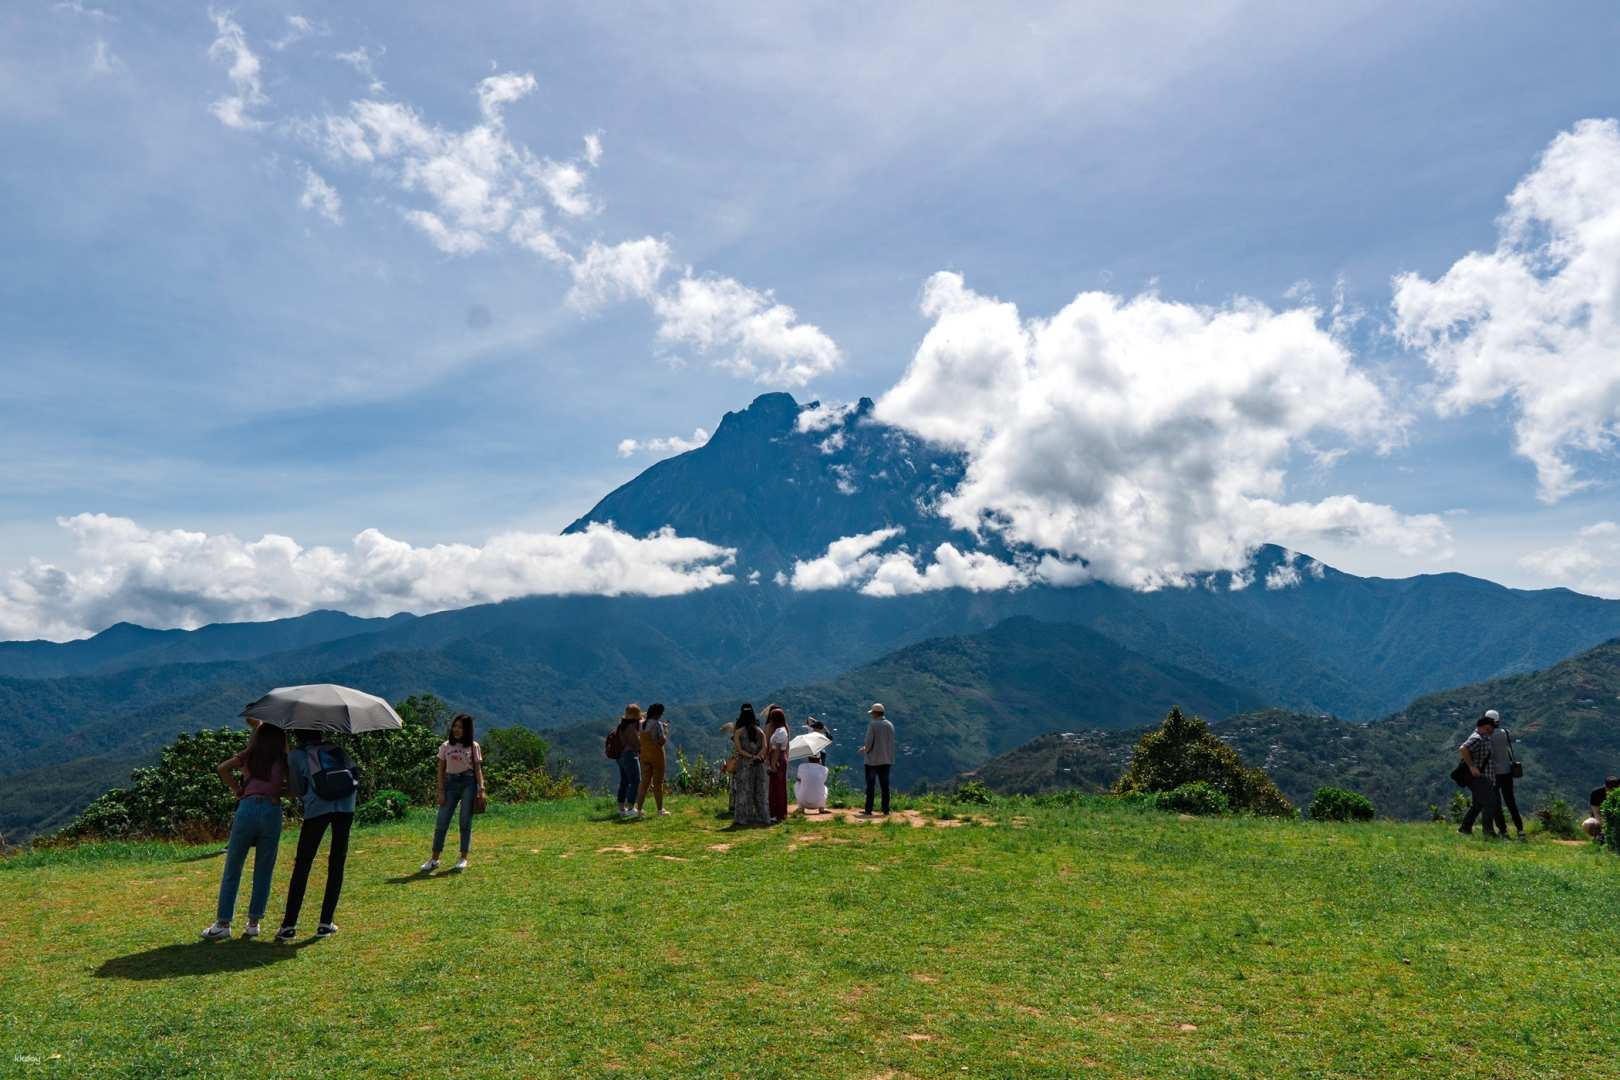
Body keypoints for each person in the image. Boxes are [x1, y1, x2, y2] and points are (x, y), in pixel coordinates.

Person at [201, 722, 288, 941]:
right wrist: (278, 790)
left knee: (233, 867)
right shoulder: (284, 759)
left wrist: (239, 789)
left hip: (247, 808)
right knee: (264, 869)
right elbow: (296, 787)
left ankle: (223, 924)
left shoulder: (249, 756)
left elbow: (222, 768)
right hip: (272, 810)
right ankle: (253, 923)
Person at [276, 729, 359, 942]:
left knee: (303, 864)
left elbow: (297, 789)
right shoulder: (336, 749)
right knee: (337, 862)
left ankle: (289, 926)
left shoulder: (296, 754)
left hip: (317, 810)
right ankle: (325, 923)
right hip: (346, 807)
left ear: (296, 733)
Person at [420, 713, 485, 873]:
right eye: (455, 726)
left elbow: (477, 769)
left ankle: (463, 858)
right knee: (442, 821)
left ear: (467, 730)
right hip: (450, 783)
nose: (456, 730)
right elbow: (440, 770)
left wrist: (481, 789)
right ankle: (434, 859)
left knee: (465, 821)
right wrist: (440, 791)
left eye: (460, 727)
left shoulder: (473, 746)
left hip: (468, 783)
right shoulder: (445, 746)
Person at [1457, 713, 1501, 838]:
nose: (1492, 730)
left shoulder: (1484, 737)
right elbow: (1463, 748)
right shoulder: (1477, 738)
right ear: (1485, 726)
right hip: (1479, 778)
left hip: (1484, 776)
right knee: (1490, 803)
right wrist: (1471, 766)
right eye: (1491, 728)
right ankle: (1488, 832)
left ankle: (1465, 828)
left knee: (1478, 804)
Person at [1486, 709, 1525, 841]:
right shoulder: (1505, 733)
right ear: (1498, 721)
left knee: (1497, 804)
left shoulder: (1487, 736)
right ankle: (1520, 830)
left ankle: (1503, 832)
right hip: (1507, 772)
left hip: (1494, 774)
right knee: (1511, 802)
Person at [730, 703, 770, 826]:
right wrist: (758, 756)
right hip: (759, 764)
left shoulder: (739, 732)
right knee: (759, 791)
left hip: (745, 765)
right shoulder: (759, 731)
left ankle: (743, 818)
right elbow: (765, 746)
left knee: (744, 791)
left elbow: (739, 750)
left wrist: (750, 756)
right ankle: (761, 816)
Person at [860, 702, 896, 817]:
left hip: (873, 760)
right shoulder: (890, 725)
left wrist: (865, 749)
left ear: (875, 713)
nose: (871, 715)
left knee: (870, 786)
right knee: (885, 786)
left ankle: (868, 810)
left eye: (872, 713)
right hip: (886, 759)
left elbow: (869, 742)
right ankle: (886, 810)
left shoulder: (873, 725)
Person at [636, 702, 670, 817]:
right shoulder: (658, 724)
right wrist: (666, 730)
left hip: (644, 755)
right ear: (658, 714)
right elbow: (661, 741)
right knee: (657, 783)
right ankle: (660, 810)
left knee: (644, 783)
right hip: (657, 756)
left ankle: (639, 809)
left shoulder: (641, 724)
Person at [614, 705, 643, 818]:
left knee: (624, 781)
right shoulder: (631, 727)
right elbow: (635, 743)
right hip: (630, 755)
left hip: (620, 756)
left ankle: (621, 808)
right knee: (636, 780)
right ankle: (631, 807)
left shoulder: (622, 724)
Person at [765, 704, 791, 823]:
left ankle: (776, 813)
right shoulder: (783, 729)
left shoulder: (779, 731)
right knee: (779, 786)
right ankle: (780, 812)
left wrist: (773, 764)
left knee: (776, 787)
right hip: (781, 758)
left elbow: (777, 749)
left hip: (778, 759)